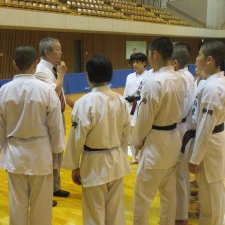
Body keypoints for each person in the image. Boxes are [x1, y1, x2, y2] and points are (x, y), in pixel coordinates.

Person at [0, 45, 65, 225]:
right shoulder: (46, 90)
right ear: (36, 63)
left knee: (17, 204)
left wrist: (3, 148)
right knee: (41, 204)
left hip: (14, 154)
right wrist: (56, 153)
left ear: (14, 64)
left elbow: (0, 125)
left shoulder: (4, 90)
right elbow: (55, 127)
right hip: (40, 153)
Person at [62, 55, 132, 225]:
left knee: (94, 213)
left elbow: (77, 138)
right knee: (115, 212)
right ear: (111, 74)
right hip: (116, 160)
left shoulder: (84, 103)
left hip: (94, 164)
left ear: (88, 75)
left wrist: (74, 165)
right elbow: (126, 133)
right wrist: (120, 154)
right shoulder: (121, 100)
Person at [130, 36, 185, 225]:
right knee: (169, 196)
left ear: (155, 54)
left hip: (156, 145)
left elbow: (145, 119)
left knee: (142, 199)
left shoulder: (154, 82)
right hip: (173, 140)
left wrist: (135, 142)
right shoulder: (180, 77)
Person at [189, 40, 225, 225]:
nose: (196, 59)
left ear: (209, 59)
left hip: (211, 146)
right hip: (216, 141)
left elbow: (206, 127)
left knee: (210, 200)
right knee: (215, 195)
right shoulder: (221, 81)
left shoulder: (213, 88)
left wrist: (195, 159)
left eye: (199, 55)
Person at [35, 37, 73, 206]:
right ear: (47, 52)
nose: (61, 52)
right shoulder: (40, 71)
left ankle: (55, 187)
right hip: (47, 119)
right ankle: (45, 192)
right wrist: (63, 73)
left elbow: (60, 93)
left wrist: (70, 103)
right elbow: (53, 93)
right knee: (49, 156)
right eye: (57, 49)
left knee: (58, 153)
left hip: (58, 115)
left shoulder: (52, 68)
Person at [171, 44, 195, 225]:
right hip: (184, 127)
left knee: (179, 174)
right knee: (181, 174)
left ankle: (180, 217)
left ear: (175, 62)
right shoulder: (187, 75)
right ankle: (179, 212)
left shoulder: (180, 78)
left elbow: (179, 109)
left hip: (179, 128)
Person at [123, 52, 148, 164]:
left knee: (141, 131)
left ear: (144, 63)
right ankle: (134, 156)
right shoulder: (129, 76)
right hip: (129, 106)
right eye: (133, 62)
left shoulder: (148, 76)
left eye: (137, 62)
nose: (135, 64)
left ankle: (142, 154)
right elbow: (126, 92)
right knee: (131, 131)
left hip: (141, 105)